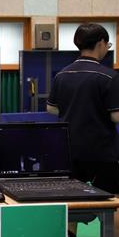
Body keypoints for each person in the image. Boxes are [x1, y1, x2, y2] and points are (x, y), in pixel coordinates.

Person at [47, 23, 119, 194]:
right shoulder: (109, 76)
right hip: (101, 154)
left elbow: (51, 109)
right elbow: (116, 116)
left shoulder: (62, 74)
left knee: (72, 201)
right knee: (110, 202)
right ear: (101, 43)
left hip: (69, 151)